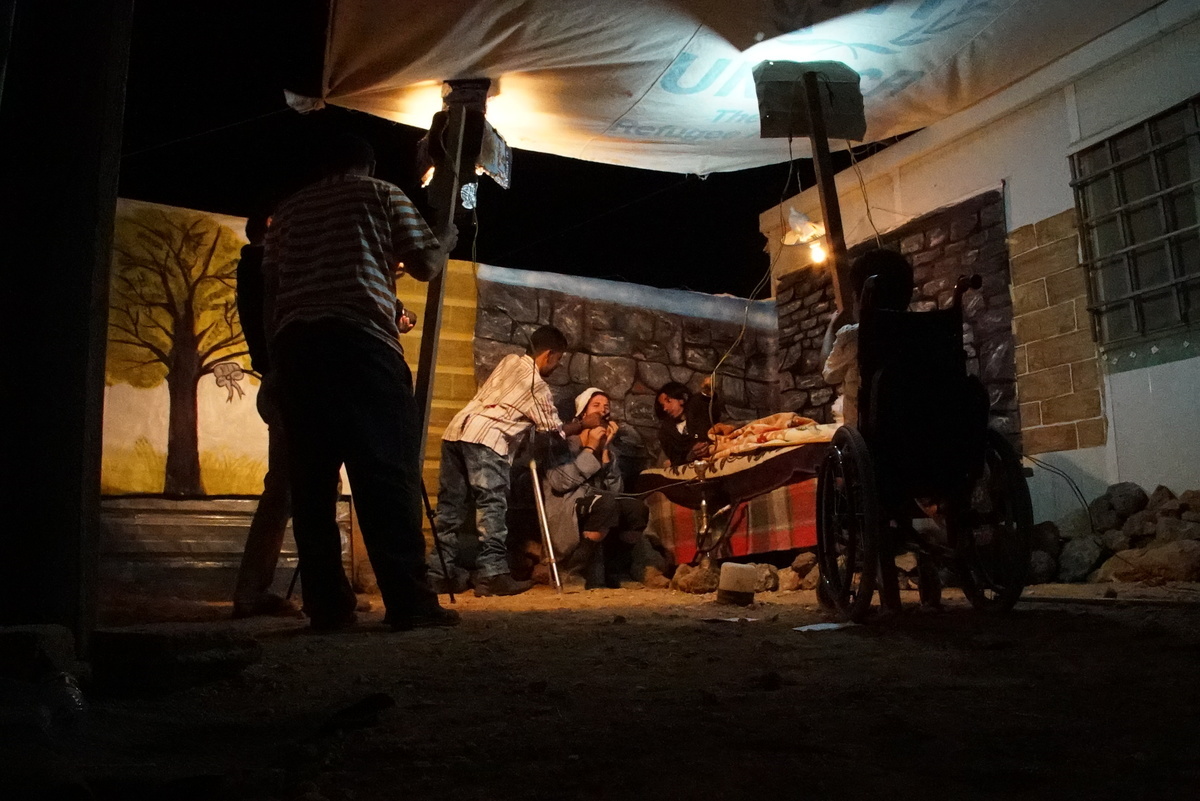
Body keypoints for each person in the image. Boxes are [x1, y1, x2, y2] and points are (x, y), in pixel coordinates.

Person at [265, 131, 459, 632]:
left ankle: (328, 607)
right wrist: (446, 239)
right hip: (361, 344)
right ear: (367, 165)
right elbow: (425, 264)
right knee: (384, 474)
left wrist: (274, 365)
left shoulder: (287, 211)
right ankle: (409, 602)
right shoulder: (380, 194)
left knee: (311, 483)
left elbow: (274, 291)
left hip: (296, 350)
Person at [429, 325, 605, 597]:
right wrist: (584, 424)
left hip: (456, 432)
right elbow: (553, 431)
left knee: (450, 509)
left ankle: (439, 573)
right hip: (487, 440)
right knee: (491, 507)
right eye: (558, 359)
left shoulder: (509, 361)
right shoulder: (537, 386)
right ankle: (492, 574)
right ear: (548, 355)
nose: (558, 365)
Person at [232, 211, 301, 619]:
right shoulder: (262, 268)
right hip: (287, 383)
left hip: (278, 382)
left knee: (290, 489)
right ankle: (251, 592)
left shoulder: (255, 268)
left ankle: (255, 590)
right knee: (285, 490)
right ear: (273, 225)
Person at [543, 388, 650, 591]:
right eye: (596, 405)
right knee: (606, 505)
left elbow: (615, 491)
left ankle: (616, 571)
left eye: (606, 407)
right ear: (583, 414)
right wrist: (590, 448)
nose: (603, 410)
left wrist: (605, 451)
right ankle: (573, 571)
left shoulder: (607, 449)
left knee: (636, 509)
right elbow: (560, 482)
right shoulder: (564, 444)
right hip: (567, 508)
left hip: (600, 506)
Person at [820, 248, 915, 426]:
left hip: (867, 437)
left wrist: (831, 327)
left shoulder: (854, 336)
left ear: (862, 297)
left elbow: (829, 374)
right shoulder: (923, 332)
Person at [654, 379, 722, 466]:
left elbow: (709, 403)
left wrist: (708, 390)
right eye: (663, 405)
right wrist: (689, 456)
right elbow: (675, 459)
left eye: (669, 401)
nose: (665, 408)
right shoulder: (665, 432)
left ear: (682, 398)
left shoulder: (698, 407)